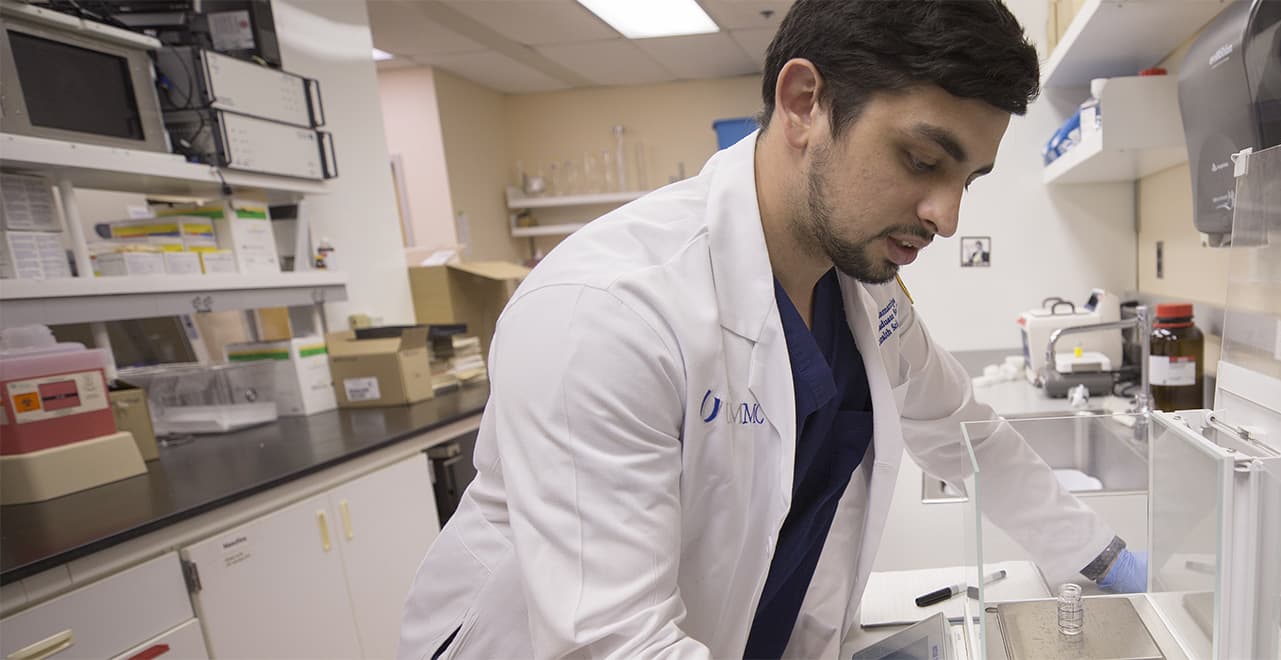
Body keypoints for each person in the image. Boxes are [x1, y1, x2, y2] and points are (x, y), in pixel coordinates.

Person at [396, 2, 1144, 658]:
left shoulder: (857, 287)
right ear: (804, 102)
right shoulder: (604, 312)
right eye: (922, 161)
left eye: (967, 181)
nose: (946, 217)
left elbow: (964, 432)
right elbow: (612, 642)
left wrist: (1103, 559)